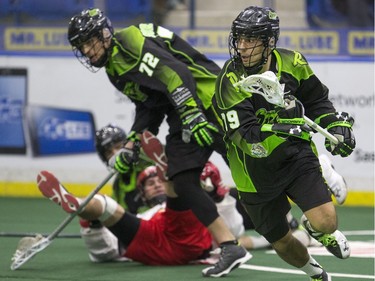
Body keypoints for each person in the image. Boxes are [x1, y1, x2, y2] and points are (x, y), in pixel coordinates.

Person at [67, 8, 250, 277]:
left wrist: (192, 113)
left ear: (105, 34)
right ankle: (230, 246)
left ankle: (312, 180)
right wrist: (132, 143)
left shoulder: (129, 42)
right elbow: (151, 105)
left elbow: (175, 74)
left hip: (209, 98)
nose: (86, 50)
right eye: (81, 46)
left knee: (250, 164)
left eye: (89, 41)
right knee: (182, 180)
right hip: (185, 109)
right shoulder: (114, 68)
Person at [212, 6, 356, 281]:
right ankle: (316, 273)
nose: (242, 47)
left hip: (295, 156)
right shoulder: (229, 80)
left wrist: (335, 126)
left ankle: (315, 228)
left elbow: (317, 102)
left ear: (270, 42)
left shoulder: (293, 62)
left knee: (327, 222)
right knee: (282, 242)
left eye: (251, 40)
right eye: (239, 39)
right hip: (253, 174)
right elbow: (249, 140)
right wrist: (285, 125)